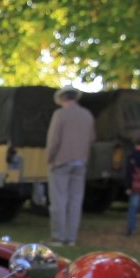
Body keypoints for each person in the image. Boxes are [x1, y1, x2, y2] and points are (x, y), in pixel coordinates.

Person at [46, 85, 95, 245]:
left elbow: (54, 140)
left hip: (61, 161)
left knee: (59, 200)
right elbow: (91, 139)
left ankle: (58, 236)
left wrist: (50, 159)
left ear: (62, 98)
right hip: (80, 162)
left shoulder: (60, 114)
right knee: (75, 201)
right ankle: (71, 237)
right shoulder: (87, 115)